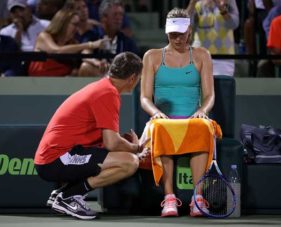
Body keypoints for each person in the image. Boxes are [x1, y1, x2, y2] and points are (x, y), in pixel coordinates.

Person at [34, 51, 149, 220]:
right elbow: (111, 144)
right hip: (55, 159)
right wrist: (136, 148)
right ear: (133, 78)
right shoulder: (108, 93)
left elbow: (106, 142)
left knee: (122, 156)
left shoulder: (103, 87)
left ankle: (62, 194)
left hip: (56, 156)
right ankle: (69, 197)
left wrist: (123, 144)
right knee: (130, 162)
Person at [140, 7, 215, 217]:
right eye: (173, 34)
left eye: (181, 33)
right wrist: (155, 112)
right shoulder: (152, 57)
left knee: (202, 126)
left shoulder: (202, 55)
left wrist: (202, 110)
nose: (178, 38)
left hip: (193, 118)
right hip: (163, 120)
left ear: (189, 31)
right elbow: (145, 97)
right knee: (161, 128)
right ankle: (169, 198)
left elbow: (210, 95)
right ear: (166, 32)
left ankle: (197, 198)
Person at [27, 8, 107, 77]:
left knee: (87, 67)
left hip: (59, 86)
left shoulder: (72, 43)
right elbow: (57, 51)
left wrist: (96, 62)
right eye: (74, 24)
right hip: (37, 84)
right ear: (63, 23)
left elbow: (85, 54)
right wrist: (91, 44)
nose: (76, 29)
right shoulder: (44, 36)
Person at [191, 0, 239, 77]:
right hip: (201, 57)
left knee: (222, 87)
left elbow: (234, 24)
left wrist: (222, 9)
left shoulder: (229, 1)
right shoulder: (197, 3)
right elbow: (186, 25)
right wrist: (192, 4)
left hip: (223, 59)